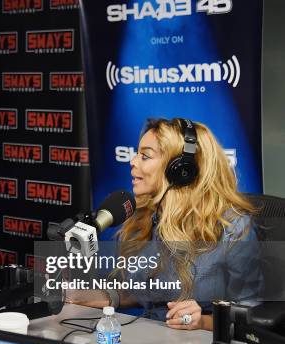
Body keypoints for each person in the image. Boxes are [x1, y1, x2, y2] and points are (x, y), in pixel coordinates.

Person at [68, 118, 260, 331]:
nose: (132, 161)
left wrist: (203, 322)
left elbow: (252, 317)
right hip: (150, 336)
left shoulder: (233, 226)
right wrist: (104, 297)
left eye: (145, 156)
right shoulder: (144, 216)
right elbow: (151, 292)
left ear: (181, 170)